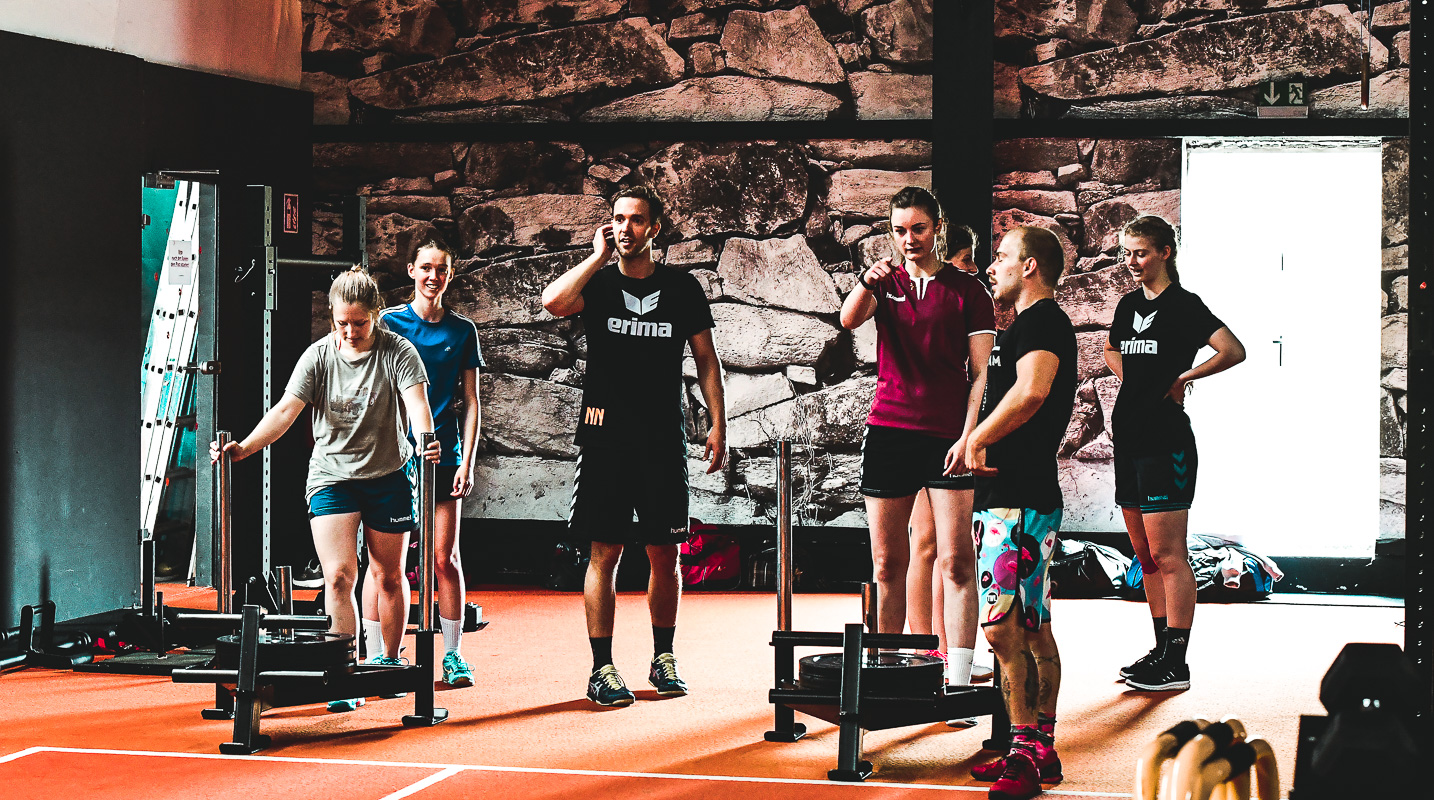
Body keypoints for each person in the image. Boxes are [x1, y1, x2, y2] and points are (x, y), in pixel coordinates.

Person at [211, 267, 440, 713]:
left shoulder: (399, 351)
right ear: (332, 318)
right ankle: (343, 670)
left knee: (388, 576)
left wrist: (424, 438)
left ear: (376, 316)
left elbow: (417, 405)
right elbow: (285, 411)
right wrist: (246, 448)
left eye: (360, 323)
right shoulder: (317, 357)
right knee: (338, 576)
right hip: (332, 476)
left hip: (387, 475)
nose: (351, 332)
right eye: (342, 323)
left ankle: (390, 663)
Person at [540, 186, 727, 707]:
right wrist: (595, 256)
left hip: (663, 438)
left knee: (664, 553)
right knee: (606, 551)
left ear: (655, 229)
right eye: (618, 219)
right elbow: (553, 303)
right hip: (605, 438)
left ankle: (663, 657)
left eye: (636, 220)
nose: (625, 228)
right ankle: (602, 669)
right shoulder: (597, 286)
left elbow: (707, 361)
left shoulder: (682, 288)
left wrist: (719, 424)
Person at [839, 188, 995, 702]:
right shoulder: (885, 284)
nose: (909, 240)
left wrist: (968, 435)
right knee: (888, 565)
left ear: (937, 227)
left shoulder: (970, 292)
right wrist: (866, 280)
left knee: (956, 561)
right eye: (900, 230)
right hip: (889, 431)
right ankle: (885, 676)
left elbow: (979, 377)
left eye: (919, 229)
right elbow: (847, 319)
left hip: (946, 435)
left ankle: (956, 679)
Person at [1104, 215, 1245, 693]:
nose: (1131, 262)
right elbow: (1110, 350)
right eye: (1127, 254)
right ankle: (1160, 649)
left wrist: (1184, 378)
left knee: (1168, 554)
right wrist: (1135, 381)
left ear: (1165, 252)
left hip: (1167, 442)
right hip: (1129, 438)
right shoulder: (1126, 305)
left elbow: (1233, 350)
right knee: (1143, 555)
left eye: (1140, 252)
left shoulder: (1186, 306)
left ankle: (1178, 662)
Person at [966, 226, 1077, 800]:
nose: (993, 266)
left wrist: (974, 440)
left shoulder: (1043, 322)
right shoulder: (1024, 326)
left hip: (1019, 498)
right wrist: (975, 434)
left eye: (1003, 257)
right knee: (1031, 626)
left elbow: (1032, 392)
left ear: (1030, 266)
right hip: (1016, 497)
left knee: (1004, 626)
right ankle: (1036, 749)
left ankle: (1027, 752)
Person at [359, 239, 484, 688]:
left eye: (442, 269)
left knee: (444, 557)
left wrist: (466, 461)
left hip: (443, 455)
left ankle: (453, 655)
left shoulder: (462, 330)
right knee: (384, 565)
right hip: (392, 457)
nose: (434, 276)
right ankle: (378, 656)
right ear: (411, 270)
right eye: (426, 268)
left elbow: (470, 402)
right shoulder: (388, 323)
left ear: (451, 274)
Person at [903, 225, 994, 691]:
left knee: (946, 553)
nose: (974, 269)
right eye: (965, 259)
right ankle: (925, 651)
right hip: (926, 433)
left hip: (954, 432)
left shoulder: (970, 300)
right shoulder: (923, 297)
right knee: (928, 546)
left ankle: (940, 650)